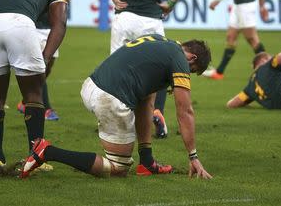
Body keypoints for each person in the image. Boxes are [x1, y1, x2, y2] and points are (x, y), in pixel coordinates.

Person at [21, 34, 213, 179]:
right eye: (191, 71)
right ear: (192, 58)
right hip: (110, 98)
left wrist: (146, 157)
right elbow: (185, 112)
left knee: (145, 101)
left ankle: (146, 164)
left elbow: (147, 101)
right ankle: (47, 151)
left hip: (92, 86)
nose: (187, 73)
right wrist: (193, 156)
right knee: (118, 168)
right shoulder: (179, 58)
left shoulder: (160, 41)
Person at [82, 0, 187, 138]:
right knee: (159, 69)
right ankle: (156, 111)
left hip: (125, 18)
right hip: (151, 19)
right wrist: (171, 3)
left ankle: (120, 118)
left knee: (119, 67)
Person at [0, 0, 68, 172]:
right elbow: (60, 23)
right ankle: (35, 159)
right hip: (20, 23)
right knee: (33, 93)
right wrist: (46, 57)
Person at [8, 0, 72, 121]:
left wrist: (63, 7)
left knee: (47, 66)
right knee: (40, 66)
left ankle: (24, 101)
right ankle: (46, 109)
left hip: (52, 29)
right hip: (32, 27)